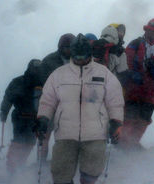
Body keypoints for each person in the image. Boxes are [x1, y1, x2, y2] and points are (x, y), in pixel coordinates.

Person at [36, 34, 124, 184]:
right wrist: (43, 118)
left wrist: (116, 122)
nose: (80, 60)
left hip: (96, 133)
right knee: (60, 173)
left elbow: (115, 101)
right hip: (65, 133)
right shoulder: (59, 75)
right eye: (77, 56)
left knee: (91, 172)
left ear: (89, 54)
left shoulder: (104, 74)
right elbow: (47, 101)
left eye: (84, 56)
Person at [119, 18, 154, 150]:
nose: (150, 32)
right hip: (133, 88)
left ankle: (133, 141)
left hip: (151, 89)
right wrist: (132, 74)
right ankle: (123, 143)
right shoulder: (135, 44)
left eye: (153, 31)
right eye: (149, 30)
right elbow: (125, 61)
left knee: (144, 118)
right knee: (129, 116)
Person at [0, 59, 42, 174]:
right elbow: (8, 98)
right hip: (20, 117)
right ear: (29, 68)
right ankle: (11, 167)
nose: (36, 71)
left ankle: (19, 164)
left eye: (38, 69)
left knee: (30, 143)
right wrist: (4, 112)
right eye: (34, 68)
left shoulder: (42, 83)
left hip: (34, 118)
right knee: (19, 142)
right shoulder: (19, 82)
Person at [39, 33, 75, 160]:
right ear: (60, 47)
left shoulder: (77, 60)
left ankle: (64, 162)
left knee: (67, 137)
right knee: (45, 135)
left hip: (70, 104)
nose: (68, 50)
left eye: (70, 47)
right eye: (66, 47)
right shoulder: (49, 60)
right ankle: (41, 162)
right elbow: (42, 82)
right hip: (52, 102)